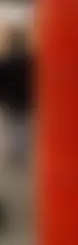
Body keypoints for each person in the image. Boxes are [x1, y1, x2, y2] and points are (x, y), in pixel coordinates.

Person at [0, 27, 32, 171]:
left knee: (13, 132)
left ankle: (14, 159)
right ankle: (25, 157)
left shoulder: (5, 63)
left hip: (12, 103)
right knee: (26, 130)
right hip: (27, 103)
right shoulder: (31, 62)